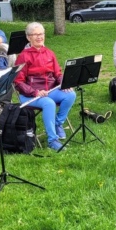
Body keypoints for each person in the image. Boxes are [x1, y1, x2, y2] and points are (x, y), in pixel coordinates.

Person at [13, 22, 76, 152]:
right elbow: (18, 82)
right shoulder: (23, 56)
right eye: (35, 34)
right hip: (29, 95)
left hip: (50, 90)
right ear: (28, 37)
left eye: (41, 34)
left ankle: (58, 123)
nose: (39, 37)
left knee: (71, 94)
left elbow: (58, 73)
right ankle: (52, 140)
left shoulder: (49, 53)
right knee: (49, 103)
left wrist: (64, 84)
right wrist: (35, 92)